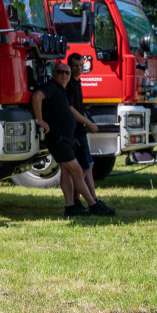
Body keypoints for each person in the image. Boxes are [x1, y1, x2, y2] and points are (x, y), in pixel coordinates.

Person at [32, 63, 115, 217]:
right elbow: (36, 96)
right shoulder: (51, 86)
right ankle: (93, 204)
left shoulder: (62, 90)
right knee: (77, 170)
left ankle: (70, 207)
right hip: (58, 139)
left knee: (67, 172)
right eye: (61, 72)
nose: (64, 75)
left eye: (67, 73)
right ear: (54, 73)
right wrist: (40, 120)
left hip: (68, 138)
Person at [66, 52, 100, 208]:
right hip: (76, 130)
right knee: (85, 168)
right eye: (75, 66)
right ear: (70, 67)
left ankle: (82, 200)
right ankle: (91, 201)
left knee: (88, 166)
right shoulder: (70, 85)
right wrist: (88, 123)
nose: (79, 68)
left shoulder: (77, 82)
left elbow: (79, 107)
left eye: (81, 66)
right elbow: (71, 109)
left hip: (81, 130)